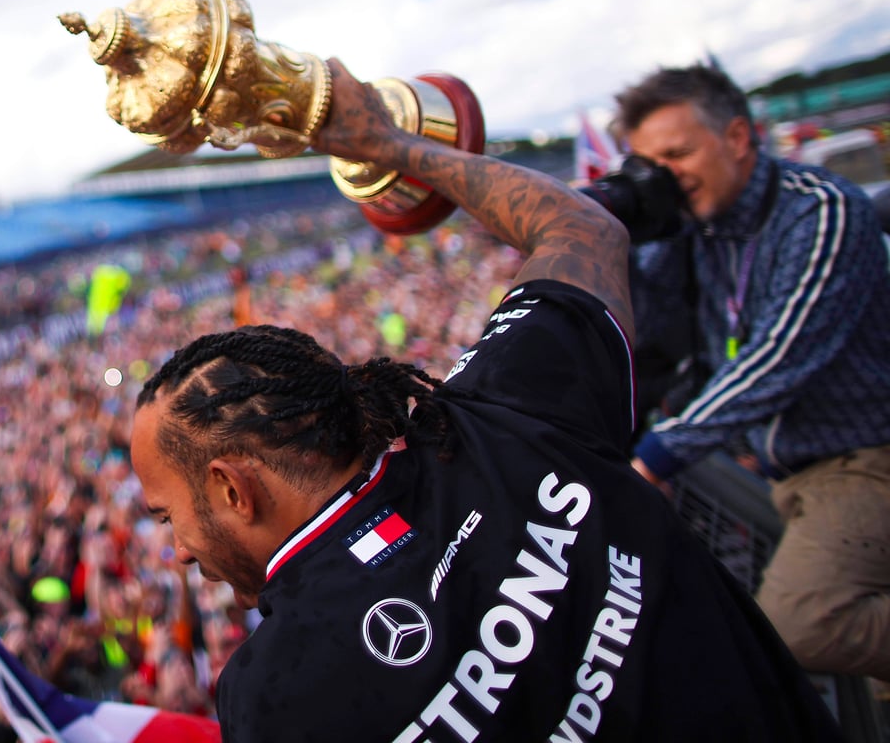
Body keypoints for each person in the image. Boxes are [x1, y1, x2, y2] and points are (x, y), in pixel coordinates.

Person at [128, 58, 843, 741]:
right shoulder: (494, 417)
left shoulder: (272, 698)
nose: (179, 551)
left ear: (230, 487)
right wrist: (387, 142)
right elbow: (581, 228)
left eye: (168, 515)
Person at [616, 63, 890, 682]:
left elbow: (779, 355)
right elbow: (649, 333)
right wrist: (618, 234)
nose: (669, 178)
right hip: (783, 466)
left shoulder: (821, 211)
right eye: (653, 166)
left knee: (798, 627)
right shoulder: (698, 229)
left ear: (737, 138)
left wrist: (661, 453)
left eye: (679, 154)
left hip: (863, 458)